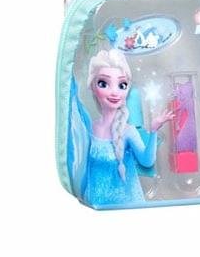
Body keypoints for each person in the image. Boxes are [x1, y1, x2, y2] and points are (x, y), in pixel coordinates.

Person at [70, 49, 174, 205]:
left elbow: (147, 161)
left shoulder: (128, 131)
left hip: (126, 203)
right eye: (103, 83)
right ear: (92, 86)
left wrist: (153, 130)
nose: (114, 92)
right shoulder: (90, 128)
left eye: (122, 85)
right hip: (96, 201)